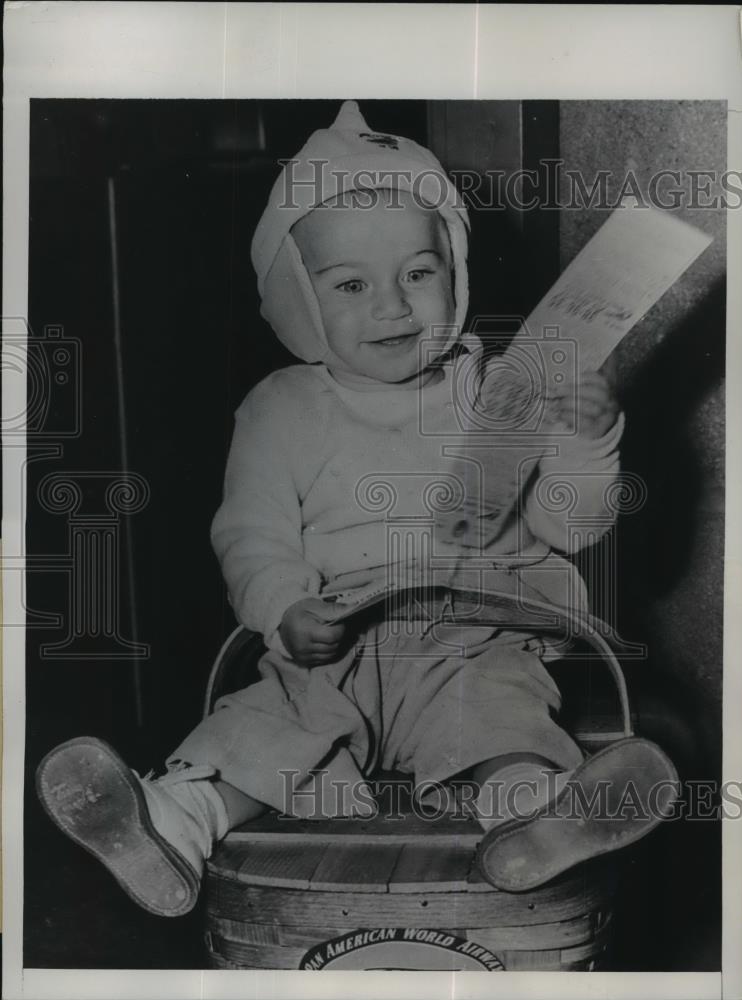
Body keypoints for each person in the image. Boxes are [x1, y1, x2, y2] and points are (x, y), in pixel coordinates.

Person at [36, 102, 677, 919]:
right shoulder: (281, 408)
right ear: (297, 299)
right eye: (350, 285)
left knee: (500, 713)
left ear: (457, 267)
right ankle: (174, 821)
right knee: (266, 725)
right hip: (331, 646)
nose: (393, 305)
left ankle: (534, 813)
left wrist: (588, 443)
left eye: (419, 272)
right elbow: (251, 533)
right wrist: (282, 607)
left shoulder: (498, 388)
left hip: (470, 636)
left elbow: (568, 527)